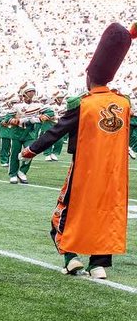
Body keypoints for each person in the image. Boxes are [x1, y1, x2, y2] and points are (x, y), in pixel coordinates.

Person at [22, 22, 136, 281]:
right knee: (106, 214)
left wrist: (30, 150)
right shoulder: (123, 103)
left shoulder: (84, 104)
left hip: (85, 170)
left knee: (64, 213)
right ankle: (99, 264)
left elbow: (57, 131)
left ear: (89, 77)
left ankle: (70, 257)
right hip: (115, 175)